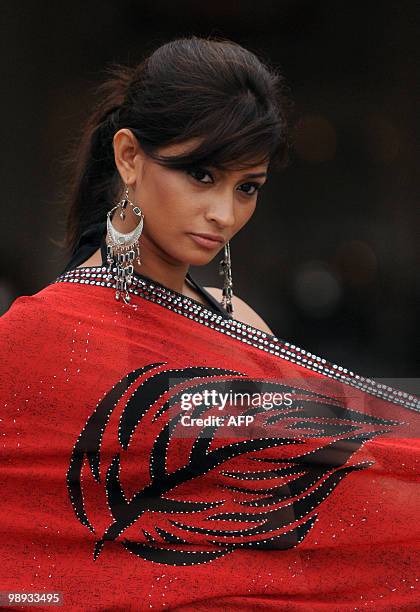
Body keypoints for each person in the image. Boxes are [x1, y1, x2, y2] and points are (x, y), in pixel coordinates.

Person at [1, 35, 419, 612]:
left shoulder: (240, 322)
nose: (225, 213)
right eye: (201, 175)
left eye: (247, 187)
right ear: (129, 157)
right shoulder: (34, 339)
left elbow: (336, 478)